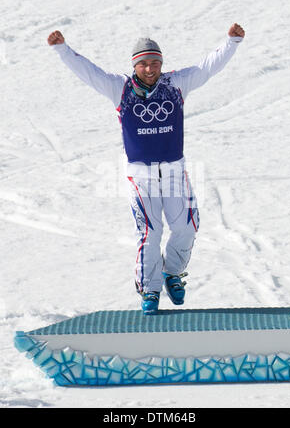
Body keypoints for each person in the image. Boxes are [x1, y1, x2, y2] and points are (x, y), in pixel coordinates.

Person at [47, 23, 245, 315]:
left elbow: (207, 68)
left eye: (154, 63)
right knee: (150, 232)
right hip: (141, 176)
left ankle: (172, 273)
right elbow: (89, 72)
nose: (150, 69)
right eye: (143, 64)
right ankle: (150, 290)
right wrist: (62, 49)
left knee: (187, 227)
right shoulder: (121, 88)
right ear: (134, 65)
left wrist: (232, 42)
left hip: (175, 171)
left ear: (161, 64)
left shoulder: (175, 84)